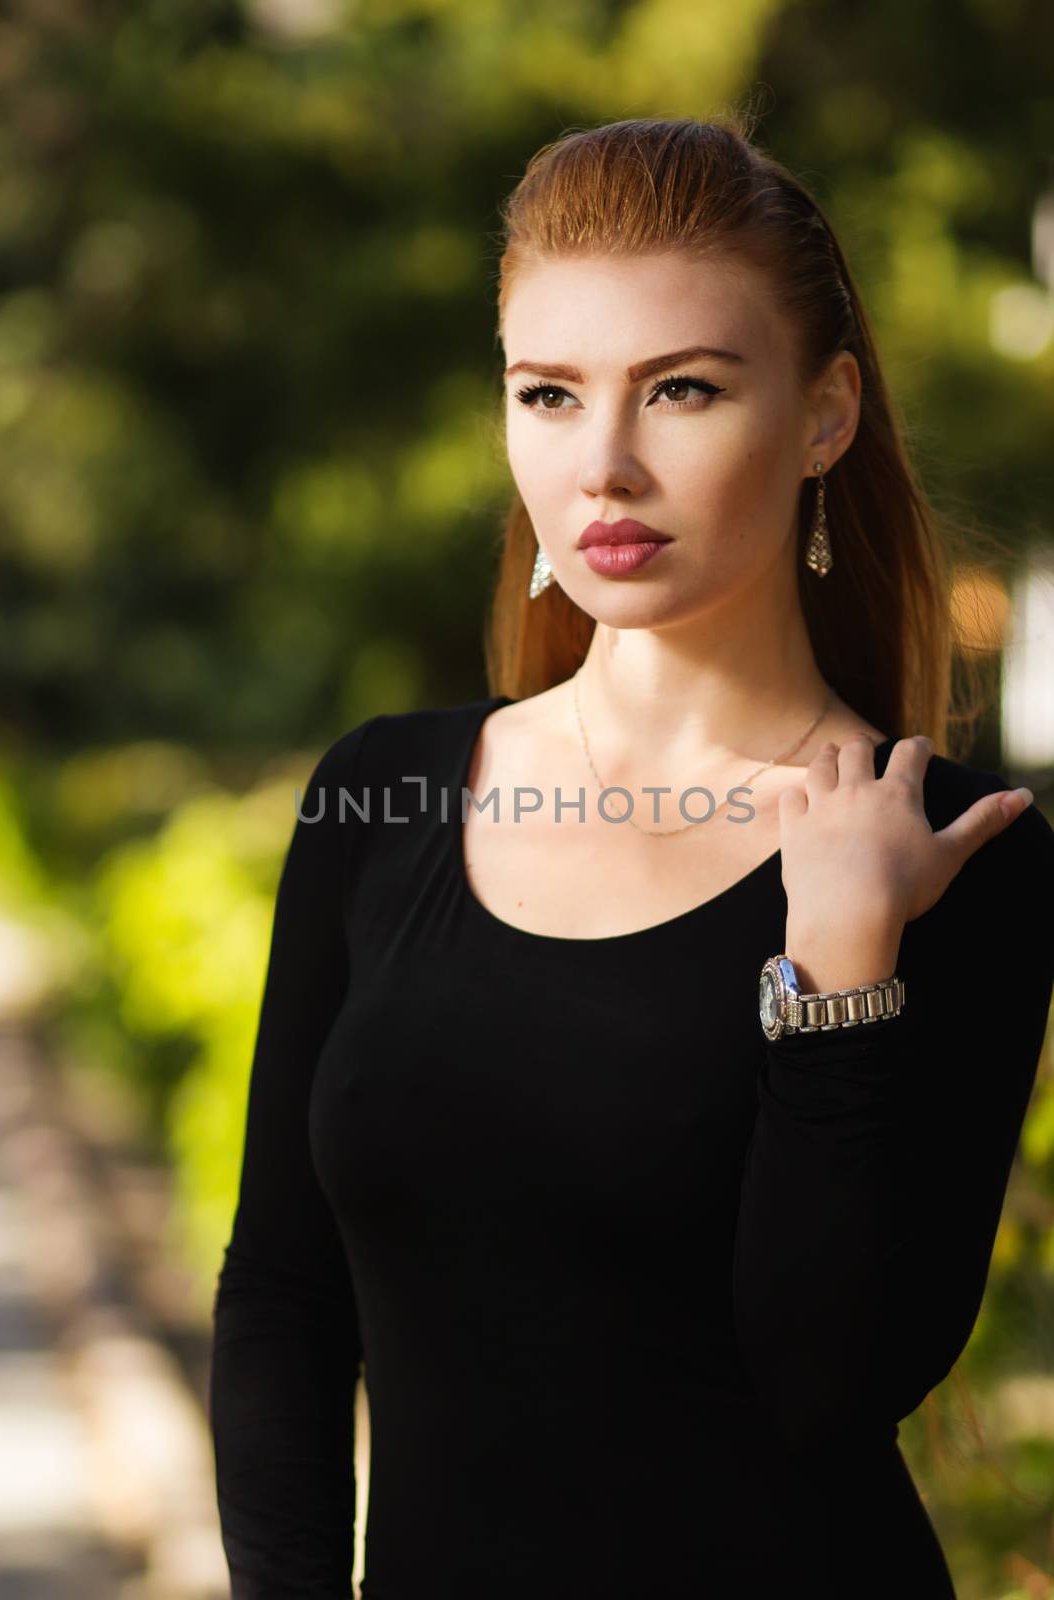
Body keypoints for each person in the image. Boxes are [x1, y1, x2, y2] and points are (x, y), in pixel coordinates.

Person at [209, 115, 1054, 1599]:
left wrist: (838, 970)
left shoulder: (957, 858)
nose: (603, 465)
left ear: (824, 414)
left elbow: (827, 1385)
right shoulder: (383, 797)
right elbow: (282, 1297)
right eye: (549, 393)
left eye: (683, 391)